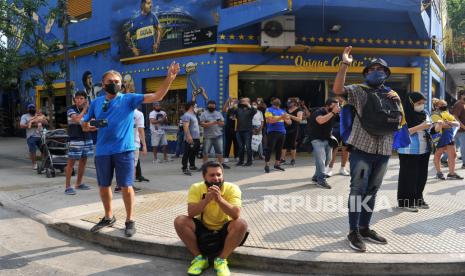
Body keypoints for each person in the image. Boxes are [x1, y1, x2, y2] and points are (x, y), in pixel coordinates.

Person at [83, 62, 180, 237]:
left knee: (126, 186)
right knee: (103, 186)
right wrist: (89, 126)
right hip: (103, 151)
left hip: (124, 150)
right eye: (111, 80)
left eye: (118, 81)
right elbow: (85, 123)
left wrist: (170, 79)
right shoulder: (96, 102)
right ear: (103, 84)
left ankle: (129, 220)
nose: (115, 83)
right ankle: (108, 216)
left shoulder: (129, 99)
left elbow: (157, 95)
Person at [333, 46, 401, 252]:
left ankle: (364, 228)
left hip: (384, 151)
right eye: (371, 69)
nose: (375, 71)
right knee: (357, 190)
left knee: (372, 191)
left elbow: (398, 122)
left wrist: (398, 104)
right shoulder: (359, 91)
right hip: (362, 149)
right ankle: (353, 230)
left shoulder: (392, 94)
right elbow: (338, 90)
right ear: (366, 74)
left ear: (386, 74)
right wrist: (345, 64)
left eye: (380, 69)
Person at [174, 161, 248, 276]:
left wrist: (219, 200)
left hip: (224, 230)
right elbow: (191, 213)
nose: (216, 178)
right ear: (204, 176)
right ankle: (200, 259)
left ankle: (221, 260)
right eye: (212, 175)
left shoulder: (232, 188)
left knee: (241, 224)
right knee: (180, 220)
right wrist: (206, 200)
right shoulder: (196, 188)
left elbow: (235, 215)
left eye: (219, 175)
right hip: (203, 228)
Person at [397, 92, 433, 212]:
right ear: (411, 103)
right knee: (408, 176)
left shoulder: (425, 113)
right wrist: (421, 127)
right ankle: (405, 202)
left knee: (422, 176)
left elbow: (430, 129)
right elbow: (400, 134)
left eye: (423, 103)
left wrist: (436, 127)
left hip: (424, 149)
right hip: (408, 150)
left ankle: (418, 198)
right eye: (419, 103)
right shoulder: (403, 115)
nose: (421, 105)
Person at [65, 91, 94, 195]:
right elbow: (77, 119)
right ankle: (67, 187)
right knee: (71, 163)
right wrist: (86, 110)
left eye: (81, 98)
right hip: (75, 139)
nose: (79, 100)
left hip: (86, 138)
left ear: (85, 100)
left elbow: (90, 124)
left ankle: (78, 183)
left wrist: (96, 126)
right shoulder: (71, 109)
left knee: (83, 161)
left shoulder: (89, 110)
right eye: (77, 98)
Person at [308, 98, 340, 189]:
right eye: (335, 105)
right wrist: (333, 113)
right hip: (316, 139)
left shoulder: (335, 113)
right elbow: (320, 121)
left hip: (327, 138)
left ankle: (316, 177)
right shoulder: (318, 111)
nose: (337, 108)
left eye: (338, 105)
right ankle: (321, 180)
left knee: (328, 159)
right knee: (321, 159)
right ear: (327, 106)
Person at [431, 98, 463, 180]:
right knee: (438, 154)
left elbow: (457, 123)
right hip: (440, 137)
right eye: (441, 104)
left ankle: (451, 173)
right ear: (436, 106)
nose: (444, 106)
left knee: (453, 155)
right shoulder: (435, 114)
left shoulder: (447, 113)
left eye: (445, 104)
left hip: (449, 136)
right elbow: (440, 126)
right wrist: (450, 123)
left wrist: (449, 123)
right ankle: (439, 173)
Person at [200, 100, 230, 169]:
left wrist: (217, 122)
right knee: (206, 152)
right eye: (210, 105)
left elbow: (223, 123)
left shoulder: (218, 113)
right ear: (208, 106)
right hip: (207, 136)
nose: (211, 107)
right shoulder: (204, 114)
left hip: (218, 135)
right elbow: (202, 124)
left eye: (213, 106)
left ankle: (221, 164)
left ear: (215, 106)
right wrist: (213, 122)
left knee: (219, 151)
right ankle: (204, 165)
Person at [264, 97, 291, 173]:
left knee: (279, 149)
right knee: (269, 149)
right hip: (272, 132)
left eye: (278, 99)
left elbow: (289, 122)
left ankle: (277, 164)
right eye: (275, 100)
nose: (278, 100)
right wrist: (282, 117)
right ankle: (267, 165)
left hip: (282, 132)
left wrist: (287, 119)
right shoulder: (268, 110)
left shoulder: (282, 111)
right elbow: (270, 121)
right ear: (272, 102)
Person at [20, 104, 48, 170]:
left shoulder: (39, 115)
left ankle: (43, 163)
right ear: (28, 109)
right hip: (31, 136)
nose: (32, 109)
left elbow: (46, 123)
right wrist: (33, 125)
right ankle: (34, 164)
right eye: (30, 108)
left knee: (44, 150)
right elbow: (21, 125)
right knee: (33, 151)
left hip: (40, 136)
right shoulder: (25, 116)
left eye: (33, 108)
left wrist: (43, 121)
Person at [230, 97, 257, 166]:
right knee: (240, 147)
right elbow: (231, 113)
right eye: (242, 101)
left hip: (248, 131)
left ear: (248, 102)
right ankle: (241, 161)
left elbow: (255, 111)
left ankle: (249, 161)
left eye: (245, 101)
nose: (243, 102)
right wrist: (233, 105)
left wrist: (249, 105)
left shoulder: (251, 109)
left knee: (248, 147)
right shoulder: (238, 109)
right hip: (239, 131)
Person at [327, 97, 350, 176]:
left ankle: (343, 168)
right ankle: (329, 169)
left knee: (346, 149)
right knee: (334, 149)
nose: (341, 99)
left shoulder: (348, 106)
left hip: (346, 130)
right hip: (335, 130)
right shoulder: (333, 106)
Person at [281, 98, 303, 166]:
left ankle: (293, 159)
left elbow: (299, 120)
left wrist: (290, 115)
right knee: (284, 144)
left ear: (294, 103)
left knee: (292, 144)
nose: (289, 103)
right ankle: (282, 159)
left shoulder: (299, 110)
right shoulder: (286, 110)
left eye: (290, 102)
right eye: (288, 102)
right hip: (286, 128)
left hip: (294, 129)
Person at [182, 101, 201, 176]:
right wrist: (189, 136)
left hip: (196, 137)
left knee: (193, 152)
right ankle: (184, 168)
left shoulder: (193, 115)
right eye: (195, 106)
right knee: (187, 152)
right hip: (190, 137)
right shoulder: (187, 115)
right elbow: (185, 126)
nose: (196, 107)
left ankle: (192, 166)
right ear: (191, 106)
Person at [222, 98, 239, 163]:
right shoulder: (228, 108)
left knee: (236, 143)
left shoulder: (238, 109)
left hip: (237, 128)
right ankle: (226, 156)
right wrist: (227, 101)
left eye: (235, 101)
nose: (234, 102)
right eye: (232, 101)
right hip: (229, 128)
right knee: (228, 143)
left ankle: (236, 156)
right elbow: (223, 110)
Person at [452, 90, 465, 169]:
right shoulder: (459, 104)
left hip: (460, 130)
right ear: (462, 95)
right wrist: (463, 126)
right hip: (461, 130)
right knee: (463, 147)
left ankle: (443, 159)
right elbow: (455, 117)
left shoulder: (463, 104)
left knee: (454, 146)